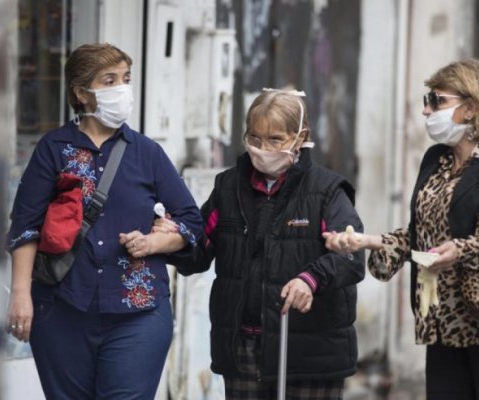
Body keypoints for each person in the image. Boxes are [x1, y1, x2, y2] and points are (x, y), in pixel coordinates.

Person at [323, 58, 479, 400]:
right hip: (445, 325)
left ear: (471, 108)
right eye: (427, 101)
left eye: (437, 101)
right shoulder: (436, 160)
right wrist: (367, 242)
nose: (427, 111)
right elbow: (422, 236)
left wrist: (462, 251)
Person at [6, 43, 202, 399]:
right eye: (109, 80)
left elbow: (192, 222)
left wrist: (155, 241)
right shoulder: (53, 149)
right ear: (83, 92)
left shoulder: (147, 153)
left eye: (125, 79)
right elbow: (25, 226)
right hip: (62, 309)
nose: (122, 89)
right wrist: (20, 295)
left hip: (139, 312)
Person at [154, 88, 366, 400]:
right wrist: (171, 239)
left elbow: (351, 258)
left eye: (275, 139)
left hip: (310, 354)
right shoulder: (228, 188)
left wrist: (310, 279)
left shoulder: (327, 192)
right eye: (255, 138)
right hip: (242, 351)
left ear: (300, 136)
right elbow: (199, 251)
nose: (262, 149)